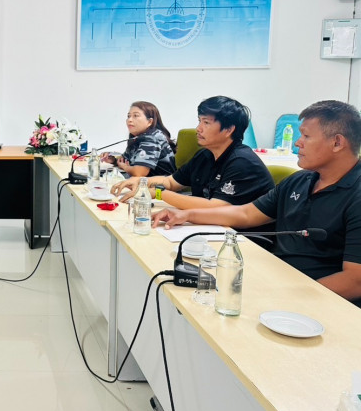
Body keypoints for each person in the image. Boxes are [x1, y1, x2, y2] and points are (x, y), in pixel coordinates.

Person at [154, 100, 361, 307]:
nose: (298, 143)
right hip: (274, 278)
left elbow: (354, 281)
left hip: (316, 300)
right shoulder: (300, 180)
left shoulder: (356, 194)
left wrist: (286, 299)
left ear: (337, 143)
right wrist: (187, 215)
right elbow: (246, 214)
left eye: (306, 136)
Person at [112, 96, 273, 209]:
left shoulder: (242, 162)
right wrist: (141, 182)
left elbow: (215, 207)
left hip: (243, 238)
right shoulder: (205, 155)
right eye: (199, 121)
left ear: (229, 130)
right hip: (210, 227)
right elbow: (171, 182)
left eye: (206, 123)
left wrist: (159, 194)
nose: (198, 128)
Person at [103, 101, 176, 177]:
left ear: (150, 121)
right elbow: (125, 160)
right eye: (128, 116)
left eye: (136, 116)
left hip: (160, 184)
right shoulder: (138, 137)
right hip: (145, 182)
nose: (130, 120)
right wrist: (113, 160)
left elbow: (139, 173)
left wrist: (125, 167)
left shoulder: (151, 138)